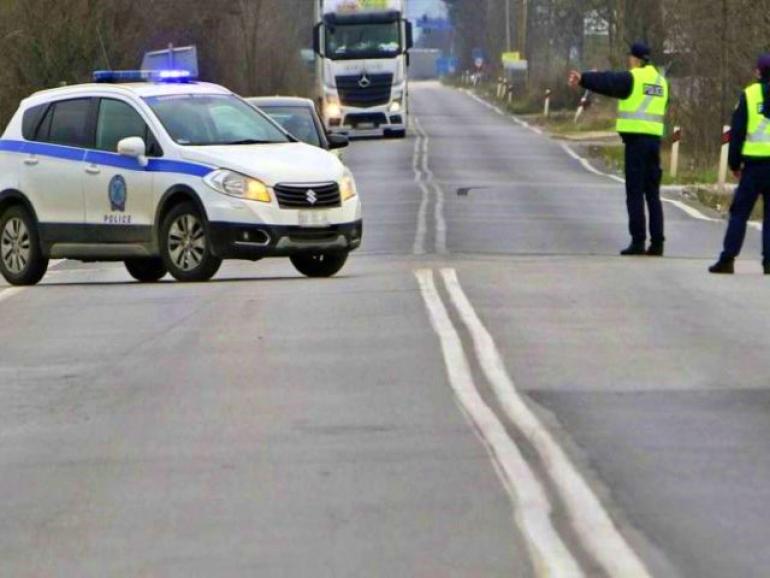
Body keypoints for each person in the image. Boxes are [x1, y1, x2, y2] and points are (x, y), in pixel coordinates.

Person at [568, 42, 670, 256]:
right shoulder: (662, 82)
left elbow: (609, 81)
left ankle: (638, 241)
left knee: (634, 192)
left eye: (630, 58)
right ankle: (658, 242)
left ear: (637, 59)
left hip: (636, 143)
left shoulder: (633, 78)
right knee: (652, 193)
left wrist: (584, 78)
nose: (628, 61)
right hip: (654, 143)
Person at [709, 54, 770, 275]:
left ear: (758, 73)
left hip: (753, 167)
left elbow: (737, 134)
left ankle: (728, 259)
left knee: (739, 213)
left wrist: (734, 164)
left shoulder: (750, 95)